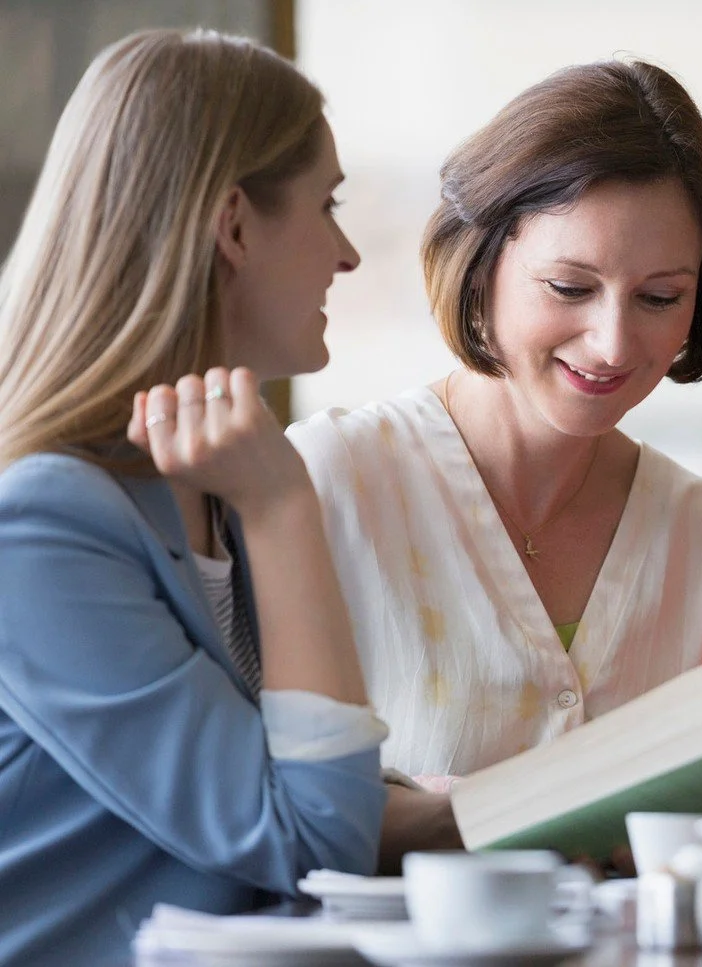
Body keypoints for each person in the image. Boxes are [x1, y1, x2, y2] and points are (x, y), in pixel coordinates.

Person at [0, 29, 388, 963]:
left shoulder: (208, 482)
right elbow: (309, 840)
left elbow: (279, 796)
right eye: (327, 204)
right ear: (235, 225)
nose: (347, 254)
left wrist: (471, 806)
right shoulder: (41, 527)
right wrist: (285, 510)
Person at [288, 60, 702, 794]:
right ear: (481, 266)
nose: (612, 342)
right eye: (570, 287)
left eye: (660, 296)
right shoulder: (327, 482)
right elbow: (250, 806)